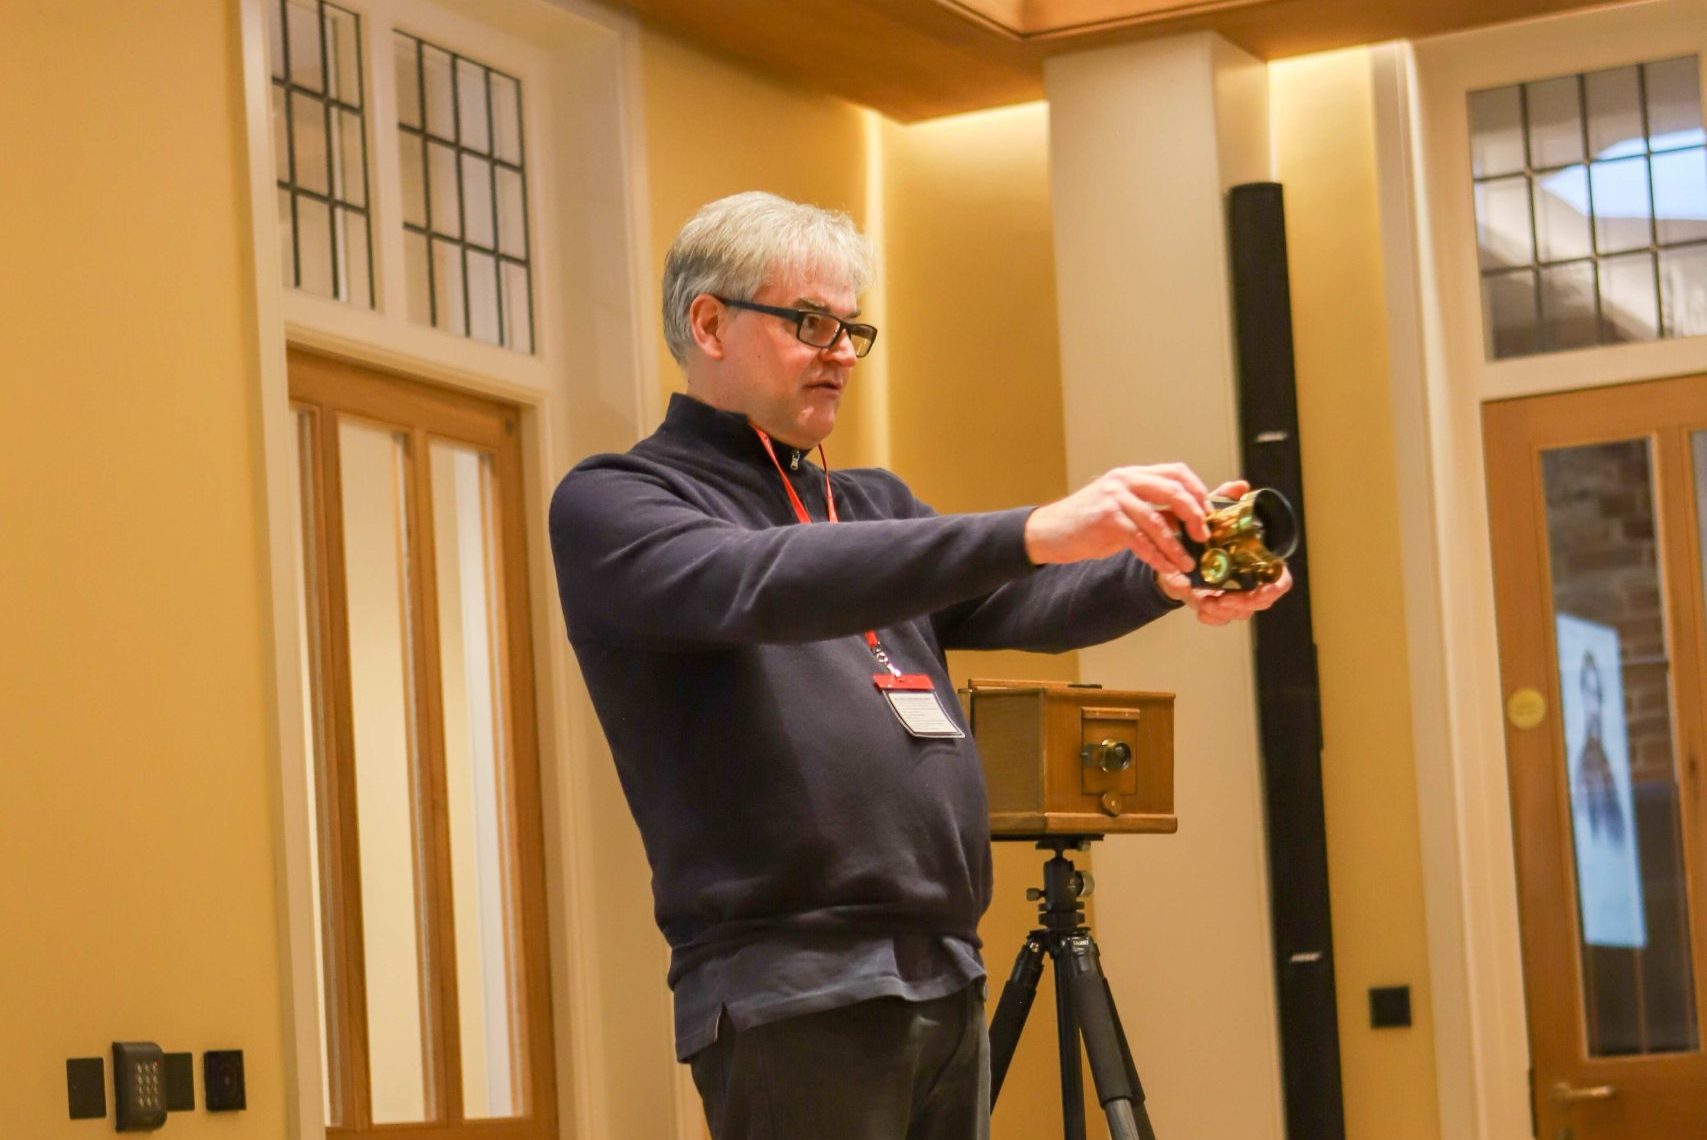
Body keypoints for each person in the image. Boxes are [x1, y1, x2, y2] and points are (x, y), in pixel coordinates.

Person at [548, 191, 1291, 1140]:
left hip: (943, 966)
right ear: (709, 324)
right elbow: (761, 581)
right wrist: (1032, 528)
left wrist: (1160, 573)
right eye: (810, 322)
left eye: (851, 327)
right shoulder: (621, 499)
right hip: (791, 984)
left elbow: (1025, 600)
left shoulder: (868, 502)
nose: (842, 352)